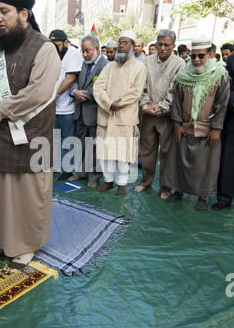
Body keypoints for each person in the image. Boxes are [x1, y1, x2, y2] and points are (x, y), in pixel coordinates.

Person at [0, 0, 61, 269]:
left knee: (28, 196)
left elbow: (38, 92)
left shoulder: (45, 49)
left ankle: (26, 245)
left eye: (4, 11)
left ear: (23, 13)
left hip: (32, 139)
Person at [162, 37, 229, 210]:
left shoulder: (220, 75)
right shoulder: (184, 74)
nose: (196, 60)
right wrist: (177, 124)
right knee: (179, 162)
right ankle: (178, 191)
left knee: (205, 166)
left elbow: (222, 104)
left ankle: (202, 196)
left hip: (208, 130)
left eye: (201, 56)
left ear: (211, 55)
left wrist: (216, 129)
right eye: (193, 56)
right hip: (185, 128)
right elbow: (177, 101)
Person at [93, 30, 147, 196]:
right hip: (106, 115)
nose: (122, 46)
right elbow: (98, 87)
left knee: (123, 154)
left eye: (126, 43)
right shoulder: (109, 67)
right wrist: (110, 103)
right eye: (120, 43)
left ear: (132, 46)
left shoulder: (139, 67)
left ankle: (121, 184)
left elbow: (136, 92)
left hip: (125, 117)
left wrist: (119, 103)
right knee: (105, 152)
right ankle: (108, 181)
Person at [135, 29, 185, 199]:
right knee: (146, 151)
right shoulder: (146, 61)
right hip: (148, 114)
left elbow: (175, 92)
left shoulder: (180, 64)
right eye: (160, 44)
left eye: (166, 45)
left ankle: (165, 186)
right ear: (155, 44)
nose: (162, 48)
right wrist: (144, 105)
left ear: (173, 46)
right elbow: (140, 86)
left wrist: (160, 108)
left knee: (166, 153)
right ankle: (145, 181)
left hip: (167, 117)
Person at [69, 35, 108, 187]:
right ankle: (81, 173)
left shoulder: (106, 66)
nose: (85, 54)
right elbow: (74, 82)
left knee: (94, 145)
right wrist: (74, 92)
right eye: (83, 51)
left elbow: (102, 89)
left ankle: (94, 176)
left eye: (88, 51)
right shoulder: (83, 64)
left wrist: (81, 94)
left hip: (95, 112)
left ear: (97, 49)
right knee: (81, 144)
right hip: (80, 112)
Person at [49, 29, 83, 180]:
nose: (54, 47)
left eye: (56, 44)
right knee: (54, 138)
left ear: (65, 43)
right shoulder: (50, 54)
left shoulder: (73, 55)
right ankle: (54, 166)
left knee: (69, 140)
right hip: (51, 106)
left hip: (67, 107)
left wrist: (54, 95)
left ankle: (68, 170)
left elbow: (70, 78)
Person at [212, 52, 234, 210]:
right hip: (232, 121)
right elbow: (228, 89)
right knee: (228, 161)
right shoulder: (232, 61)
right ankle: (224, 198)